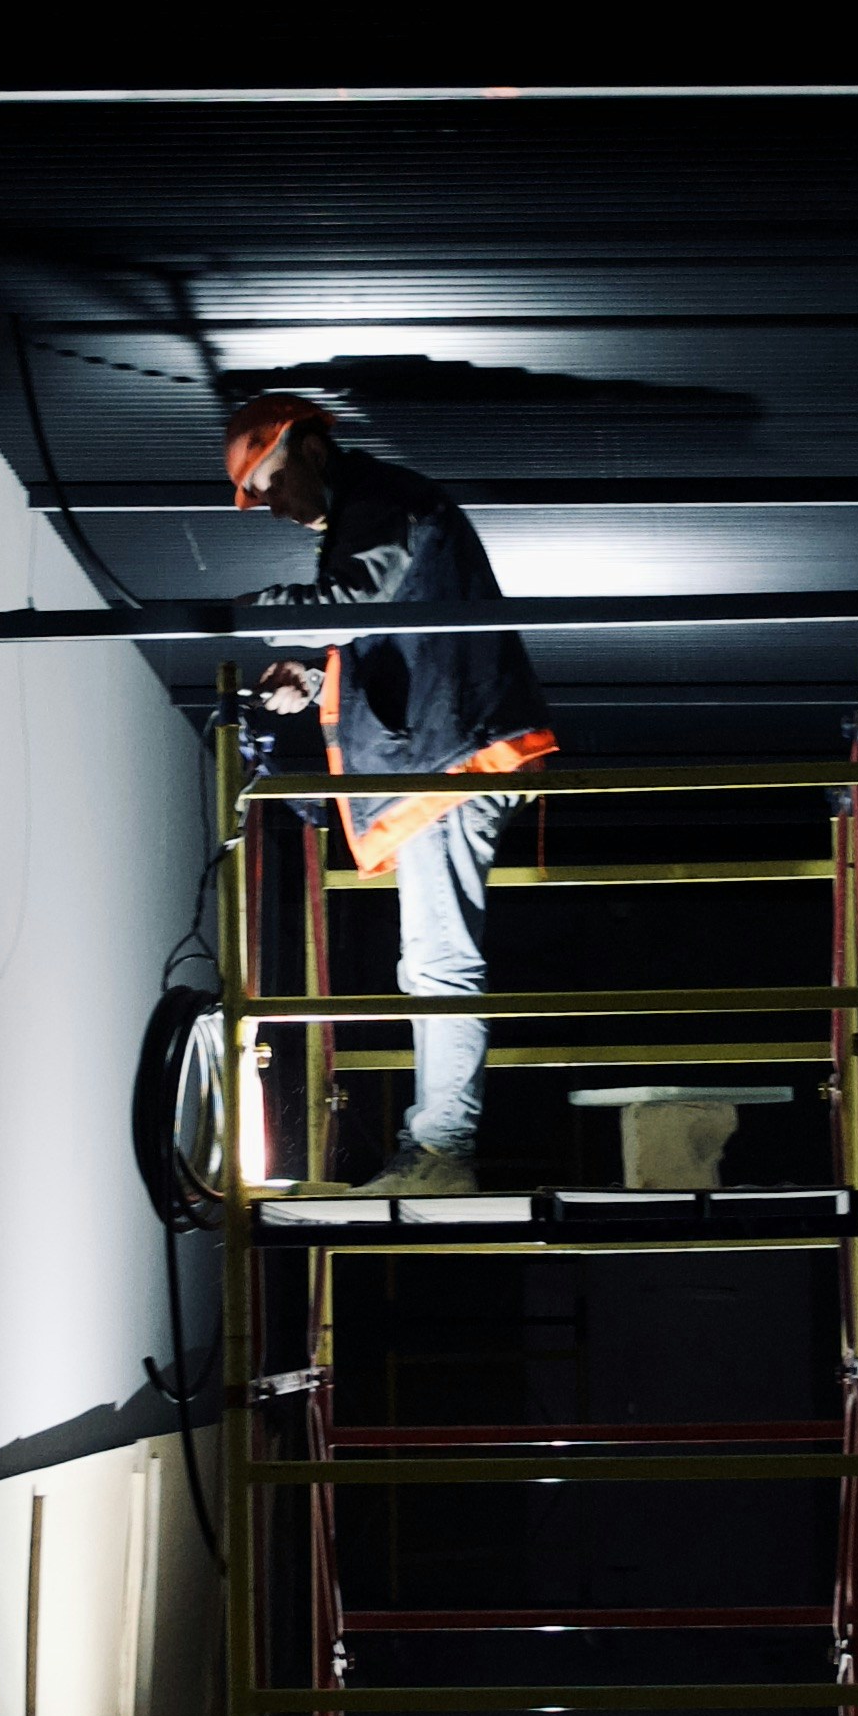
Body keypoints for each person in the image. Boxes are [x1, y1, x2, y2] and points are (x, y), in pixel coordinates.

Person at [224, 390, 561, 1194]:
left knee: (439, 960)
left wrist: (232, 616)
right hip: (442, 752)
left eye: (271, 483)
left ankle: (442, 1150)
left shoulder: (382, 501)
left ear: (310, 447)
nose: (272, 508)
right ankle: (435, 1144)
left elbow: (354, 604)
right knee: (430, 960)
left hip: (451, 755)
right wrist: (315, 676)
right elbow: (387, 631)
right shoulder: (369, 514)